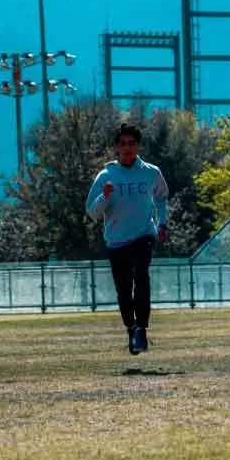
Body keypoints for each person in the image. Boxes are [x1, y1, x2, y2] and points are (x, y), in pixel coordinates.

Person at [86, 123, 170, 354]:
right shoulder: (106, 176)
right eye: (123, 143)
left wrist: (162, 222)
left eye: (132, 143)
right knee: (124, 290)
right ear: (116, 147)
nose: (127, 148)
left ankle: (142, 329)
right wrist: (104, 197)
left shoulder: (151, 172)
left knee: (141, 277)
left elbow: (162, 198)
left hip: (144, 234)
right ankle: (131, 328)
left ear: (138, 145)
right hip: (116, 240)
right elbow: (92, 212)